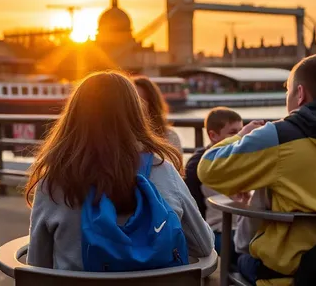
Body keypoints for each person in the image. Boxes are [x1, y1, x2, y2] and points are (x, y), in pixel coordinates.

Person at [198, 55, 316, 286]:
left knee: (230, 252)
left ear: (300, 94)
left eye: (287, 91)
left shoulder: (280, 136)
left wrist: (240, 137)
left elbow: (208, 168)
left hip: (290, 273)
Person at [25, 71, 213, 270]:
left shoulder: (53, 180)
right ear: (136, 114)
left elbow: (37, 264)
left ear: (73, 116)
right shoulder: (163, 170)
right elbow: (203, 245)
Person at [184, 107, 244, 255]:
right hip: (218, 231)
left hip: (238, 228)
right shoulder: (199, 166)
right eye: (233, 133)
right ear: (213, 136)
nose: (240, 138)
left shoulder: (242, 159)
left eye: (242, 132)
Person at [133, 76, 183, 153]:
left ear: (152, 105)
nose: (134, 106)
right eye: (132, 100)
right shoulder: (119, 137)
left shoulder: (170, 137)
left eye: (140, 101)